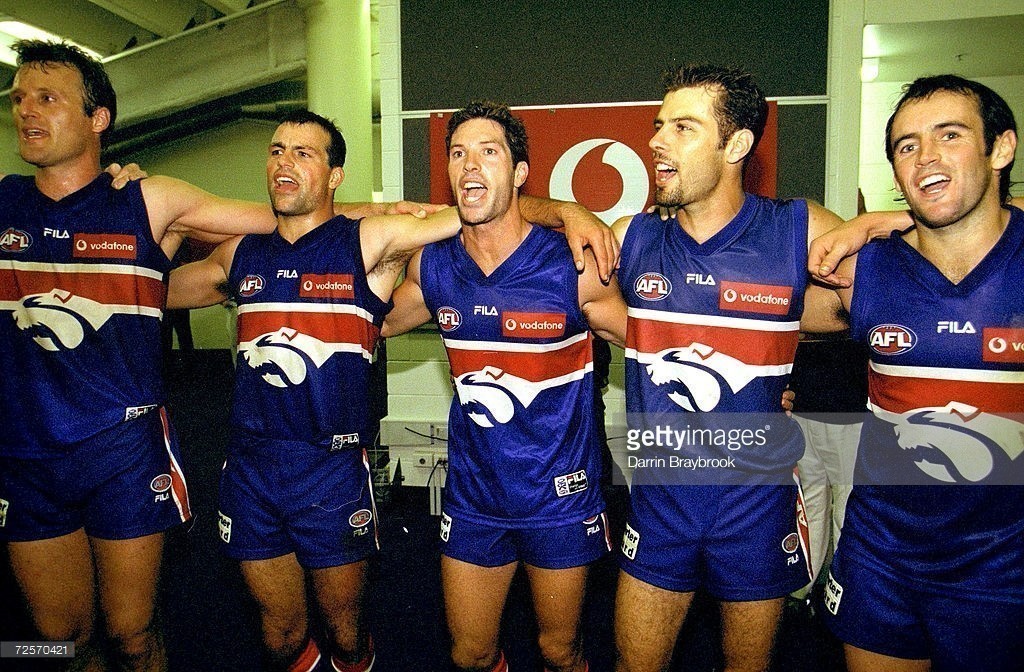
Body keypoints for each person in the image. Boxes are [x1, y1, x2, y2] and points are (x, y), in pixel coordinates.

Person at [0, 40, 625, 672]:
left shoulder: (366, 242)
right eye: (276, 150)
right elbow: (149, 293)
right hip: (209, 465)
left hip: (306, 468)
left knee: (158, 635)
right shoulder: (235, 253)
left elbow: (474, 209)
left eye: (305, 152)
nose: (285, 163)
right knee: (67, 644)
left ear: (334, 175)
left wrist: (568, 209)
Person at [609, 64, 849, 672]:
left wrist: (881, 224)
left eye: (683, 127)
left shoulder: (797, 229)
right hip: (660, 504)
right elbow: (508, 240)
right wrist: (564, 211)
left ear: (737, 144)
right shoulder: (631, 238)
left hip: (756, 507)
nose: (657, 140)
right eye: (659, 125)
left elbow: (906, 279)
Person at [381, 101, 629, 672]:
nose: (471, 165)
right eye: (458, 153)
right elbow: (364, 324)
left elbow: (648, 338)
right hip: (476, 495)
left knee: (560, 651)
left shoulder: (572, 265)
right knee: (470, 654)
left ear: (519, 173)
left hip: (559, 496)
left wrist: (762, 390)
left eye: (489, 152)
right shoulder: (434, 267)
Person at [808, 75, 1024, 672]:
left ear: (1001, 148)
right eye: (906, 146)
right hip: (882, 556)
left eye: (949, 135)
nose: (925, 156)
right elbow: (742, 311)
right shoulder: (863, 271)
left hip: (1005, 568)